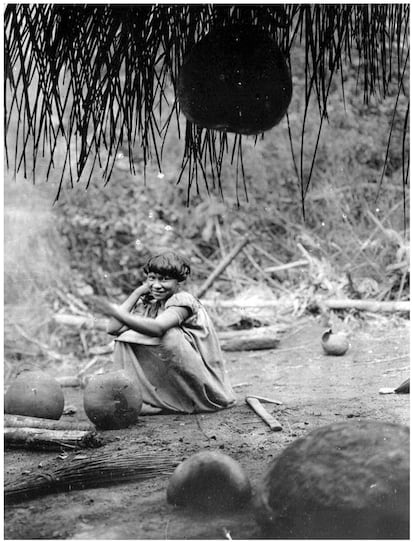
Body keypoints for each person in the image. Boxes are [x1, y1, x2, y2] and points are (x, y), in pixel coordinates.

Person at [91, 251, 236, 414]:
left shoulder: (182, 300)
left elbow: (158, 328)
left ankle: (183, 399)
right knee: (125, 336)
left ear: (178, 281)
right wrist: (137, 293)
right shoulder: (151, 303)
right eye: (152, 278)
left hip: (203, 378)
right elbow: (113, 329)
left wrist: (114, 311)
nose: (157, 285)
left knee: (167, 335)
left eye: (165, 279)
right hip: (178, 370)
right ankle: (146, 397)